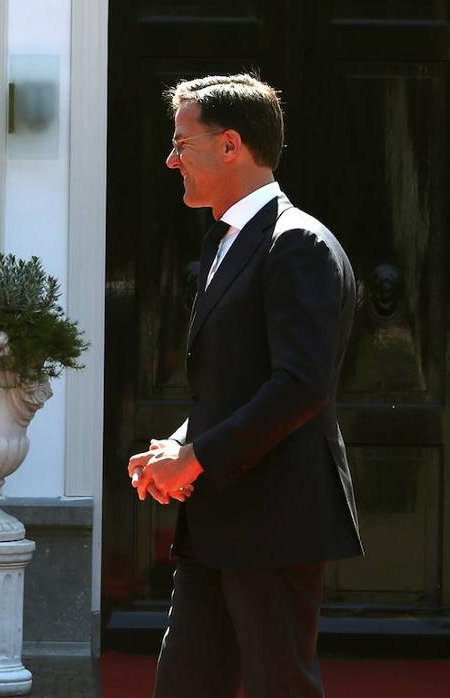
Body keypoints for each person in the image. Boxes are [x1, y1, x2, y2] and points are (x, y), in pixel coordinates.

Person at [127, 74, 363, 697]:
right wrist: (176, 448)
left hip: (276, 517)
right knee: (186, 684)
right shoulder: (229, 239)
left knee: (277, 686)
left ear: (230, 145)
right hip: (219, 517)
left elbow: (300, 385)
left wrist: (198, 457)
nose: (171, 158)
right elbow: (233, 382)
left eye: (183, 142)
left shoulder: (298, 243)